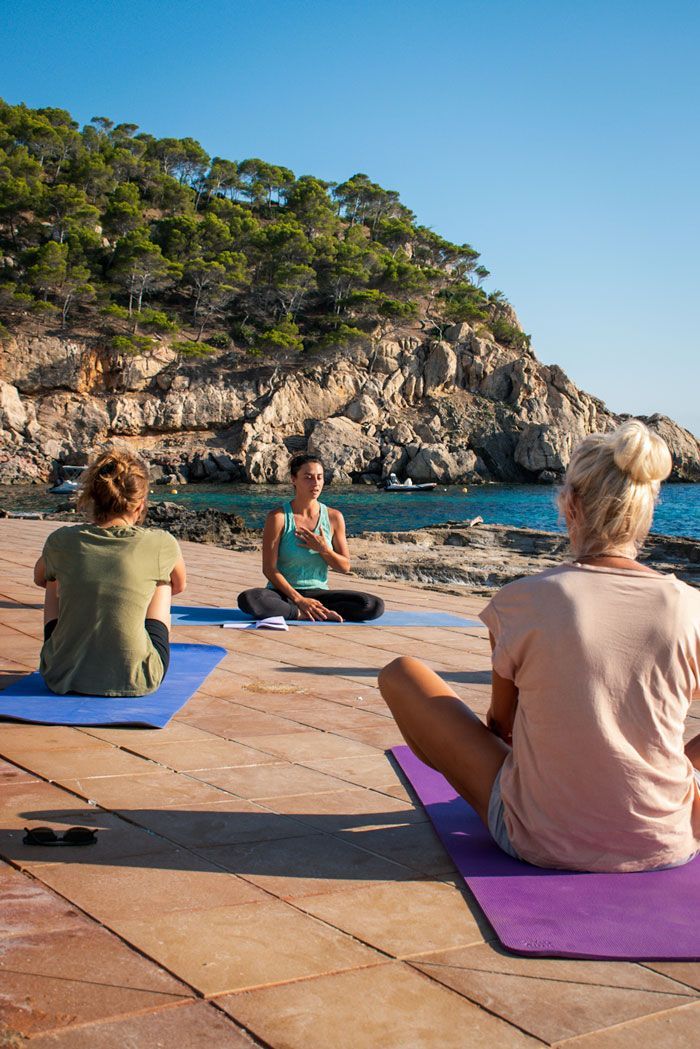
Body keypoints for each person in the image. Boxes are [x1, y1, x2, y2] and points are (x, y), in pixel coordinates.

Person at [379, 420, 700, 872]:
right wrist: (671, 766)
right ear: (647, 510)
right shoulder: (690, 606)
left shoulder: (522, 600)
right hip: (667, 838)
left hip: (539, 838)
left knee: (400, 673)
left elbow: (502, 725)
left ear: (570, 506)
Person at [34, 448, 186, 696]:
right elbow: (179, 586)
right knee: (163, 581)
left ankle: (71, 655)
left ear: (92, 499)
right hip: (137, 676)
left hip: (59, 673)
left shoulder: (60, 540)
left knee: (54, 576)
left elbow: (39, 578)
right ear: (140, 506)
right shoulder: (161, 543)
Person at [237, 453, 384, 622]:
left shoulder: (334, 517)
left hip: (319, 594)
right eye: (308, 478)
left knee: (373, 605)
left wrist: (324, 550)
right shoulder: (278, 518)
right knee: (250, 599)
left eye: (319, 478)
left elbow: (344, 567)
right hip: (283, 593)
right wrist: (299, 600)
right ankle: (299, 612)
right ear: (293, 479)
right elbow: (269, 570)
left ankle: (314, 610)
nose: (316, 483)